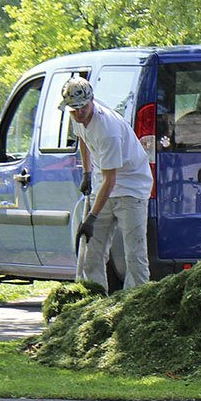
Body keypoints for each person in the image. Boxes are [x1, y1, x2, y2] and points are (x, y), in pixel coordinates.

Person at [59, 76, 153, 291]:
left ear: (91, 101)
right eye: (73, 110)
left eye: (82, 108)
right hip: (103, 183)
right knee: (92, 251)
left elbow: (112, 180)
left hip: (131, 187)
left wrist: (91, 217)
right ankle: (94, 300)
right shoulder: (76, 114)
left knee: (134, 254)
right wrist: (87, 172)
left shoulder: (107, 130)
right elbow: (83, 139)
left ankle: (135, 303)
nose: (78, 113)